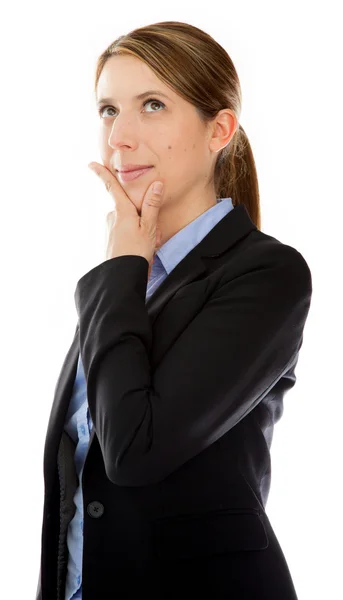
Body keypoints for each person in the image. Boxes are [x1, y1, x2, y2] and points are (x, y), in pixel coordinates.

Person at [35, 20, 312, 600]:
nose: (119, 137)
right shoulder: (131, 280)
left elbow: (134, 451)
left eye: (152, 105)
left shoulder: (266, 274)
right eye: (108, 110)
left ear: (221, 130)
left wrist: (120, 268)